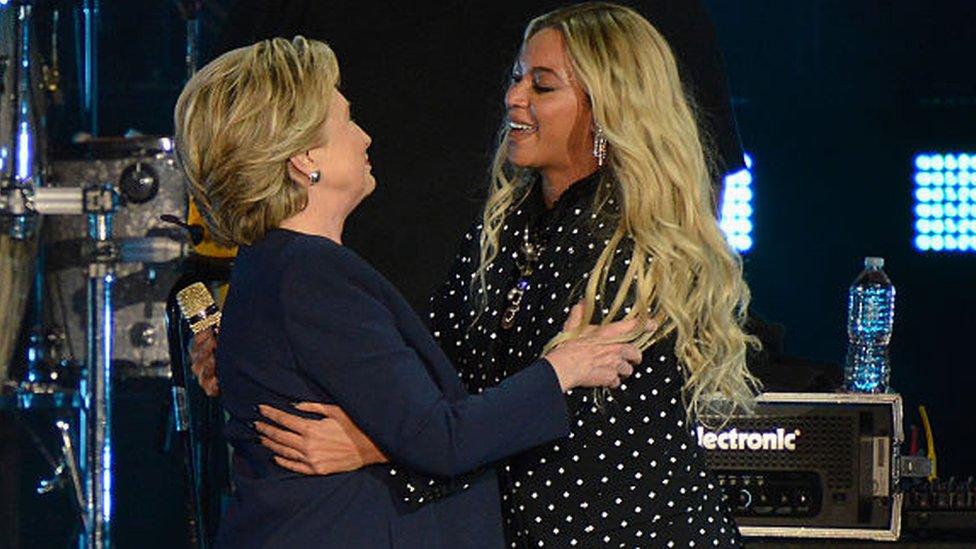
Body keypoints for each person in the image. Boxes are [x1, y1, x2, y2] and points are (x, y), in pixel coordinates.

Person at [194, 3, 761, 546]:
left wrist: (376, 447)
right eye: (516, 78)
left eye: (542, 86)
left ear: (608, 108)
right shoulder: (505, 230)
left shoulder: (638, 247)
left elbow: (563, 429)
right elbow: (439, 378)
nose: (513, 98)